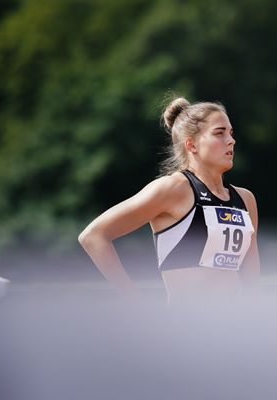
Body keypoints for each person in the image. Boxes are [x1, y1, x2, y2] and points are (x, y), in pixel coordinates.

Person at [78, 98, 260, 303]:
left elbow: (252, 281)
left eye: (231, 133)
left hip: (235, 327)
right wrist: (135, 301)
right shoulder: (172, 189)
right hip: (186, 327)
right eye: (219, 133)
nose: (231, 140)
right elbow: (93, 236)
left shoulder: (245, 199)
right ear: (191, 144)